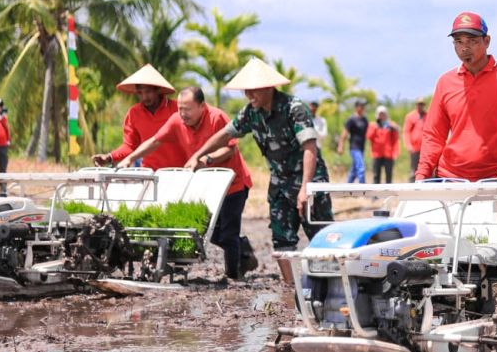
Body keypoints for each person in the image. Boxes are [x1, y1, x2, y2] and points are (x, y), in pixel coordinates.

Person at [188, 58, 334, 256]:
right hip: (280, 183)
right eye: (245, 91)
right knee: (281, 237)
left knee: (322, 235)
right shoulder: (251, 113)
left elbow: (310, 147)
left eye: (253, 90)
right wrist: (198, 154)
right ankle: (290, 285)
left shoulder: (293, 108)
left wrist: (306, 188)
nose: (248, 95)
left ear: (269, 88)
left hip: (309, 179)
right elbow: (225, 134)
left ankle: (335, 281)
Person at [120, 86, 256, 280]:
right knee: (209, 232)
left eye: (188, 109)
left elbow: (230, 149)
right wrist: (131, 157)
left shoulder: (216, 117)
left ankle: (234, 275)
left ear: (202, 106)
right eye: (180, 109)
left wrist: (205, 160)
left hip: (233, 184)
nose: (183, 114)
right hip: (206, 186)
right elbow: (154, 141)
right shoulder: (176, 120)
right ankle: (243, 249)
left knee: (228, 233)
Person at [416, 12, 497, 181]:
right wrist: (421, 176)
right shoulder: (445, 82)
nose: (464, 48)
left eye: (472, 41)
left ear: (487, 41)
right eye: (458, 42)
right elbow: (434, 134)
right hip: (452, 178)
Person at [92, 64, 183, 169]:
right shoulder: (134, 113)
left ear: (158, 90)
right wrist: (109, 157)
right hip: (149, 172)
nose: (144, 97)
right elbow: (129, 146)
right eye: (140, 93)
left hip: (179, 171)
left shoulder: (178, 109)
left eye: (148, 92)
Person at [337, 98, 369, 183]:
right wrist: (341, 146)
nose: (363, 108)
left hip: (362, 147)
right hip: (354, 147)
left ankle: (347, 188)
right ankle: (364, 191)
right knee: (361, 168)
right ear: (356, 107)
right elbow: (344, 133)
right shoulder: (351, 119)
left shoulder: (365, 120)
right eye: (361, 106)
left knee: (354, 170)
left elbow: (368, 133)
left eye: (364, 106)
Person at [368, 105, 400, 184]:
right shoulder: (373, 125)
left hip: (388, 154)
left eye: (383, 114)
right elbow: (369, 136)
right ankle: (375, 194)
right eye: (380, 114)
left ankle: (388, 194)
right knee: (376, 175)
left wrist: (395, 152)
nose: (381, 116)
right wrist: (376, 126)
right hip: (377, 154)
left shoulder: (391, 125)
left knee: (389, 175)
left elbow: (395, 139)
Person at [402, 98, 427, 182]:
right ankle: (412, 190)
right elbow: (406, 132)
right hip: (414, 149)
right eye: (419, 104)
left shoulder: (427, 116)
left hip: (425, 149)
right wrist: (408, 145)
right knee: (413, 171)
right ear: (416, 105)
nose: (420, 106)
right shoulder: (410, 116)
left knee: (426, 169)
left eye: (422, 104)